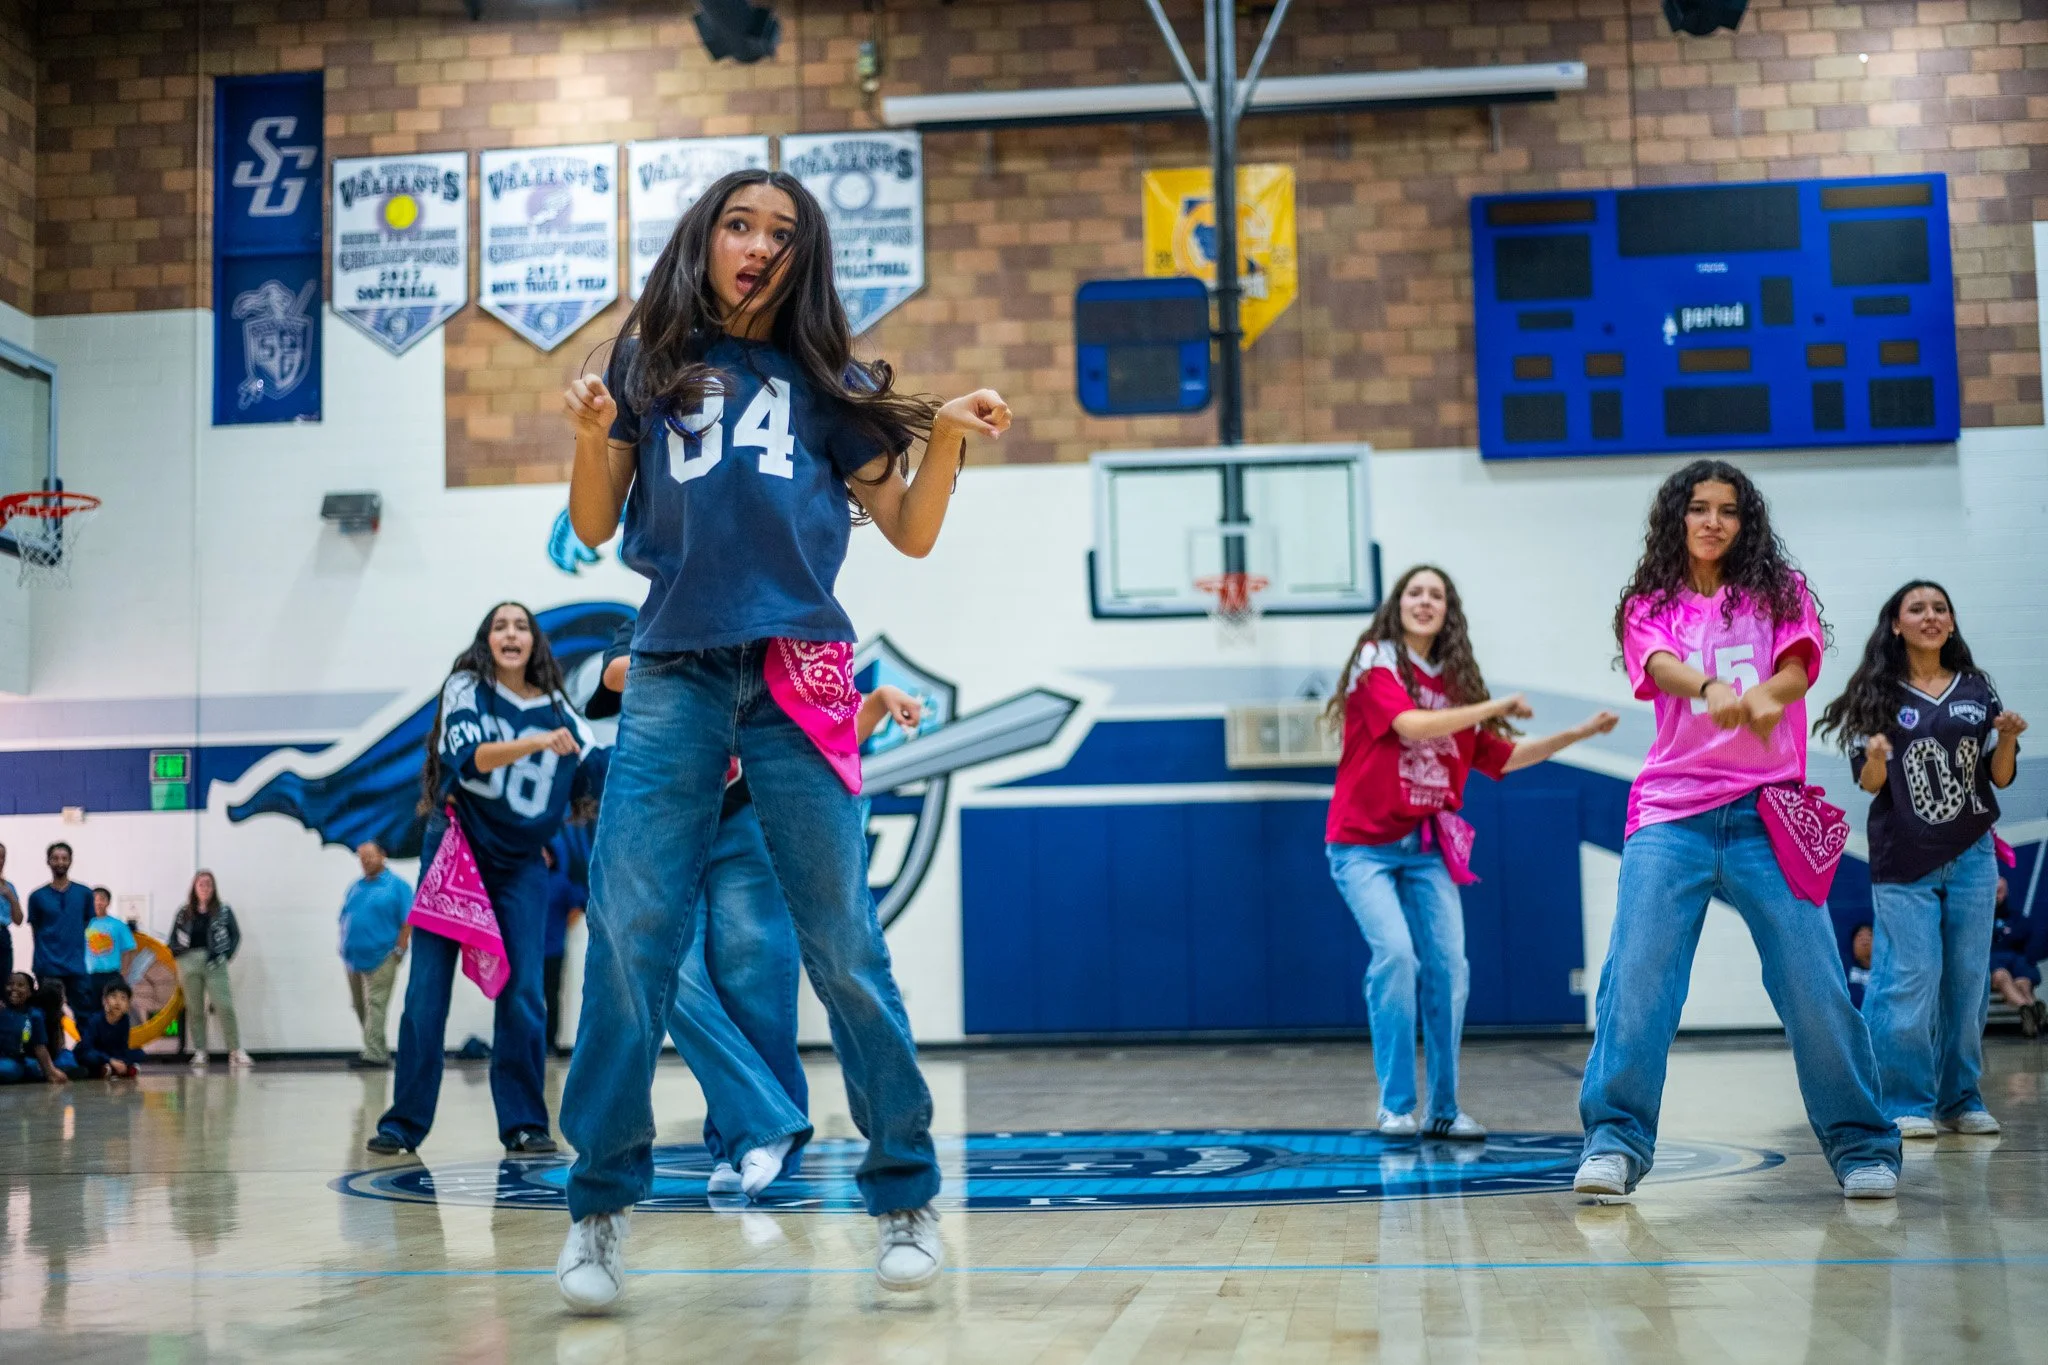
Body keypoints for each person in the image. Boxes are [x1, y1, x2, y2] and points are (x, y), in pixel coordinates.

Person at [552, 166, 1009, 1310]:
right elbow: (595, 523)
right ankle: (597, 1211)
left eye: (781, 233)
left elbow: (906, 530)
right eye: (738, 225)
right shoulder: (646, 362)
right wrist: (594, 435)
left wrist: (948, 439)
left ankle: (903, 1194)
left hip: (800, 671)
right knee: (629, 936)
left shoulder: (832, 381)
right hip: (673, 669)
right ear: (703, 240)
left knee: (842, 941)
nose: (757, 245)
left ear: (805, 259)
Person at [1576, 459, 1900, 1201]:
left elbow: (1797, 670)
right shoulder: (1650, 602)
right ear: (1678, 517)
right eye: (1700, 508)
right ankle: (1615, 1142)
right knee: (1637, 980)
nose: (1713, 521)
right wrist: (1711, 686)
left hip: (1768, 813)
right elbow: (1660, 666)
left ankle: (1862, 1145)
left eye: (1728, 510)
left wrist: (1765, 695)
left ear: (1745, 522)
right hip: (1672, 814)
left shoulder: (1780, 591)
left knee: (1814, 983)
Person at [591, 625, 927, 1198]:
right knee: (668, 973)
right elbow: (616, 675)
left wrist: (873, 702)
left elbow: (824, 735)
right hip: (669, 819)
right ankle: (760, 1126)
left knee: (755, 977)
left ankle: (743, 1144)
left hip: (748, 818)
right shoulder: (663, 613)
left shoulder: (782, 625)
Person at [1324, 564, 1617, 1141]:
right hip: (1362, 847)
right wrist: (1492, 706)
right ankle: (1395, 1106)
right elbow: (1410, 725)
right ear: (1397, 604)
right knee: (1396, 958)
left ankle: (1445, 1109)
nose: (1424, 601)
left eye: (1436, 594)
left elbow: (1502, 757)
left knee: (1450, 969)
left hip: (1425, 847)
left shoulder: (1457, 684)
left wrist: (1578, 733)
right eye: (1414, 592)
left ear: (1448, 610)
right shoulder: (1377, 658)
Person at [370, 601, 599, 1157]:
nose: (512, 633)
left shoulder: (559, 708)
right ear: (486, 641)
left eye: (521, 626)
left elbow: (600, 766)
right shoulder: (466, 688)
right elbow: (470, 758)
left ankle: (524, 1123)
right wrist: (537, 741)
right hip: (457, 852)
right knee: (426, 991)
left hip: (520, 863)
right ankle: (404, 1123)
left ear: (535, 642)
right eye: (501, 626)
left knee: (525, 994)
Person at [1816, 579, 2026, 1137]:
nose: (1930, 615)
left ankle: (1961, 1099)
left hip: (1973, 854)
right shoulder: (1878, 694)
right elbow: (1869, 783)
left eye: (1940, 608)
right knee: (1908, 978)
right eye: (1917, 608)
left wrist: (2006, 738)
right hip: (1904, 857)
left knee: (1968, 982)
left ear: (1951, 623)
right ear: (1896, 624)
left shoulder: (1977, 689)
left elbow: (2000, 776)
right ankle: (1903, 1101)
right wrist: (1877, 756)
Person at [338, 841, 413, 1070]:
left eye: (370, 856)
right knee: (359, 1005)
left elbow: (408, 921)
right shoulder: (356, 886)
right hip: (353, 958)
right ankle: (375, 1048)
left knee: (376, 1004)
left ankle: (374, 1055)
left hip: (382, 956)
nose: (365, 861)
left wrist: (399, 950)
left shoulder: (398, 886)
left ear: (383, 855)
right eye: (362, 858)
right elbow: (344, 916)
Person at [168, 871, 249, 1071]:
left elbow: (235, 935)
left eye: (208, 884)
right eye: (201, 884)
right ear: (194, 888)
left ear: (213, 888)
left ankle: (235, 1050)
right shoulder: (184, 912)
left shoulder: (223, 910)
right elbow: (173, 938)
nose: (205, 888)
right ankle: (200, 1051)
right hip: (188, 962)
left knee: (224, 1005)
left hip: (214, 962)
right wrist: (178, 955)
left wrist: (226, 956)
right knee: (194, 1008)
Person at [27, 842, 94, 1021]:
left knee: (84, 1015)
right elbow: (35, 930)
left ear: (71, 861)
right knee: (49, 1016)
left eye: (64, 858)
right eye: (55, 858)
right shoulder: (37, 896)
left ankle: (84, 1042)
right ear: (48, 861)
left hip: (76, 965)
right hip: (47, 965)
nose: (60, 862)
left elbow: (86, 922)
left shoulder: (84, 893)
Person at [541, 838, 584, 1058]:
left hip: (554, 950)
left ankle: (550, 1042)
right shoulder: (529, 882)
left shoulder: (561, 882)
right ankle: (531, 1042)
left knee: (551, 996)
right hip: (531, 951)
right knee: (529, 997)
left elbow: (576, 908)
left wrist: (560, 927)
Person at [1989, 878, 2044, 1037]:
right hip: (1995, 964)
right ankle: (2028, 1008)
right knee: (2002, 977)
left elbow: (2027, 939)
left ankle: (2030, 1012)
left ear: (2006, 893)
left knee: (2023, 982)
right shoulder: (1979, 921)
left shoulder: (2017, 919)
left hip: (2016, 962)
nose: (1996, 896)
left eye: (1999, 891)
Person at [0, 972, 67, 1086]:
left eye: (20, 985)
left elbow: (39, 1047)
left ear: (30, 992)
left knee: (23, 1067)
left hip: (15, 1061)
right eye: (10, 984)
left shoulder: (34, 1015)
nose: (14, 988)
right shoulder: (2, 1011)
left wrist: (51, 1072)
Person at [74, 980, 145, 1078]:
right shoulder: (95, 1020)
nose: (118, 1002)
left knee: (139, 1053)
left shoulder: (125, 1020)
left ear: (128, 1005)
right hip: (96, 1053)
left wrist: (119, 1060)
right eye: (113, 997)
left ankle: (113, 1069)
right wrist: (110, 1060)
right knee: (89, 1057)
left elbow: (123, 1046)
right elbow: (87, 1047)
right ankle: (111, 1069)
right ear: (104, 1001)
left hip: (113, 1054)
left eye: (123, 998)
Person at [84, 886, 136, 1007]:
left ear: (108, 902)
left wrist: (124, 972)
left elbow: (129, 949)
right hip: (89, 975)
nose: (98, 902)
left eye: (102, 899)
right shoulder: (83, 923)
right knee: (90, 1008)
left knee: (113, 1008)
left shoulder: (118, 925)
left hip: (112, 975)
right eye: (94, 899)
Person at [0, 842, 20, 983]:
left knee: (4, 981)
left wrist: (11, 898)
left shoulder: (9, 887)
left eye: (2, 857)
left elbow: (18, 920)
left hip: (3, 935)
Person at [1846, 923, 1874, 1011]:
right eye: (1859, 936)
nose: (1865, 939)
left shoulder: (1889, 975)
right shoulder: (1841, 973)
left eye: (1870, 935)